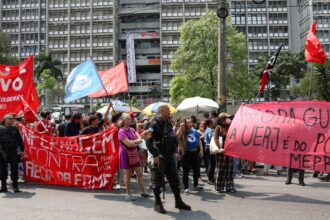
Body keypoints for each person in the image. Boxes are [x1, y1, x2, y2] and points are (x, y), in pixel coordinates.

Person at [146, 104, 191, 214]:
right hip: (160, 157)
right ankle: (157, 203)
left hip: (169, 155)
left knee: (174, 179)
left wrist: (175, 151)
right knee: (158, 181)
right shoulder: (154, 124)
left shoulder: (168, 123)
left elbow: (172, 138)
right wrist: (155, 155)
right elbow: (148, 140)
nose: (169, 111)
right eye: (167, 109)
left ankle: (178, 201)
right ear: (161, 111)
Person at [118, 113, 150, 201]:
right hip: (125, 154)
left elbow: (139, 139)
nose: (130, 120)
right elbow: (129, 143)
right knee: (128, 174)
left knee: (140, 173)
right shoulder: (121, 131)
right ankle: (128, 194)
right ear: (123, 120)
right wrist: (136, 142)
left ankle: (143, 192)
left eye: (130, 118)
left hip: (134, 153)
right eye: (128, 119)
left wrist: (134, 142)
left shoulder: (132, 129)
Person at [177, 118, 204, 194]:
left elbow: (199, 140)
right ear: (184, 124)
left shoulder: (194, 131)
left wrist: (201, 150)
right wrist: (180, 128)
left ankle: (196, 185)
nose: (190, 124)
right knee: (186, 171)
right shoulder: (182, 131)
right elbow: (177, 137)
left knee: (196, 169)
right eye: (188, 123)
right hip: (185, 153)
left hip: (195, 152)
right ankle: (186, 187)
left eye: (191, 122)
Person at [0, 114, 24, 193]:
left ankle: (15, 186)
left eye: (12, 118)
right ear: (5, 119)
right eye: (9, 118)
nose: (11, 120)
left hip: (13, 151)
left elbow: (20, 140)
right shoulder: (0, 128)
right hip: (2, 152)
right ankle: (3, 186)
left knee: (14, 169)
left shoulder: (15, 129)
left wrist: (22, 150)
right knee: (2, 170)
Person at [213, 113, 236, 193]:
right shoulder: (218, 127)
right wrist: (220, 148)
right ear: (222, 119)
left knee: (230, 169)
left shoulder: (231, 127)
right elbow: (216, 138)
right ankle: (218, 187)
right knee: (220, 168)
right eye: (226, 118)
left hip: (230, 150)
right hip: (221, 150)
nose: (228, 119)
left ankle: (229, 187)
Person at [204, 119, 216, 184]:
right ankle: (210, 178)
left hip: (207, 147)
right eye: (213, 122)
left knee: (211, 163)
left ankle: (211, 178)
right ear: (210, 123)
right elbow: (212, 138)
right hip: (210, 147)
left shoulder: (207, 129)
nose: (214, 123)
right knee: (212, 164)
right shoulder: (210, 130)